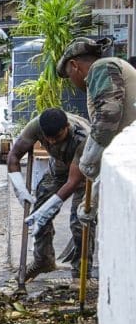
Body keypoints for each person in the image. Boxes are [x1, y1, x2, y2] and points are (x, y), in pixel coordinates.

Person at [6, 109, 93, 283]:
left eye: (57, 137)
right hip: (58, 168)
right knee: (38, 214)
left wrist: (50, 206)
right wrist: (19, 188)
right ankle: (43, 260)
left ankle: (81, 274)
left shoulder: (83, 137)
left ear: (66, 127)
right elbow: (13, 156)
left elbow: (73, 181)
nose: (52, 141)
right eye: (48, 138)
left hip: (83, 174)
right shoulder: (36, 125)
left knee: (80, 221)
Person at [56, 37, 136, 224]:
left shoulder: (100, 68)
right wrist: (92, 200)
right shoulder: (109, 70)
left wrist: (89, 157)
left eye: (69, 76)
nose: (72, 82)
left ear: (74, 65)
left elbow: (109, 114)